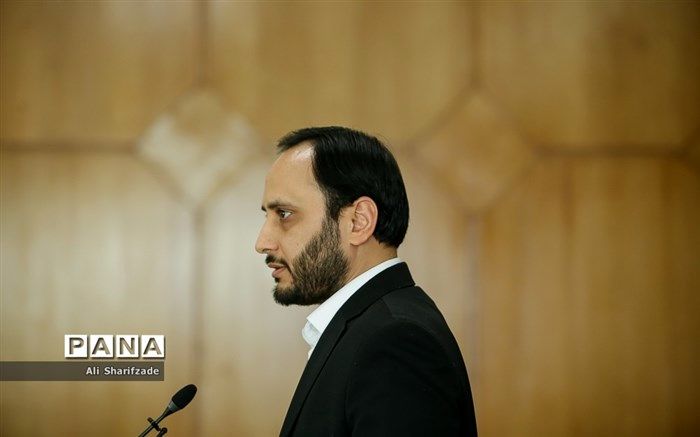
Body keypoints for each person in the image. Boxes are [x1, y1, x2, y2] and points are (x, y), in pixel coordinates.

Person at [255, 126, 477, 436]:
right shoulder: (372, 329)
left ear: (359, 221)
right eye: (266, 216)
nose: (262, 242)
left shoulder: (395, 343)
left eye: (284, 214)